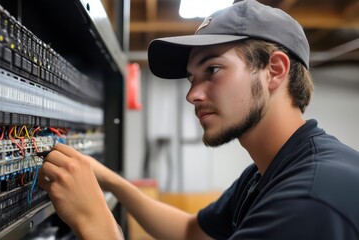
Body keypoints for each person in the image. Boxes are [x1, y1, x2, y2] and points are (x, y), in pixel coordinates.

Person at [38, 0, 359, 239]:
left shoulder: (309, 201)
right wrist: (108, 180)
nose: (193, 95)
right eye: (192, 78)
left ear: (275, 70)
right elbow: (192, 232)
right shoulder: (270, 172)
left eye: (213, 70)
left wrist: (96, 224)